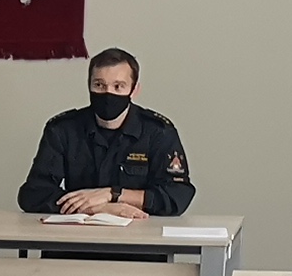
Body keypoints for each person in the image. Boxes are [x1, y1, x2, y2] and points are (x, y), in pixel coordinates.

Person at [18, 46, 193, 219]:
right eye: (99, 85)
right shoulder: (62, 129)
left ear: (134, 90)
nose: (108, 93)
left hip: (137, 232)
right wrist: (98, 209)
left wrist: (113, 194)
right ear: (89, 86)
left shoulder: (158, 132)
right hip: (78, 233)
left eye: (118, 86)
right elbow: (33, 194)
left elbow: (177, 196)